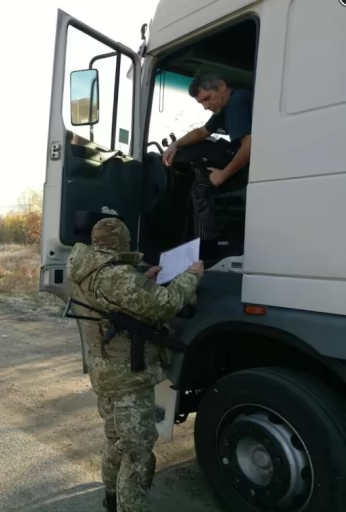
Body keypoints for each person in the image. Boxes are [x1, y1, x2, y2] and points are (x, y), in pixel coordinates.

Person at [66, 218, 203, 512]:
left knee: (114, 438)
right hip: (128, 378)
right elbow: (166, 302)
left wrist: (143, 281)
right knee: (137, 452)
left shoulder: (84, 269)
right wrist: (191, 275)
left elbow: (120, 300)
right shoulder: (117, 276)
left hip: (104, 371)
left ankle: (110, 498)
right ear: (122, 242)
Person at [161, 72, 253, 253]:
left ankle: (206, 249)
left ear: (222, 86)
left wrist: (223, 174)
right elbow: (202, 132)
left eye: (207, 98)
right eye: (201, 102)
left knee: (201, 186)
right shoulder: (225, 108)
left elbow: (249, 146)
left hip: (256, 169)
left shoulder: (236, 102)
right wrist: (175, 144)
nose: (205, 106)